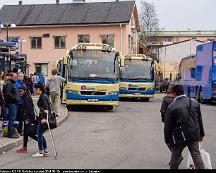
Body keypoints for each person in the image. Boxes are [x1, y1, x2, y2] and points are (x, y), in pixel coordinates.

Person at [164, 85, 205, 169]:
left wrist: (167, 139)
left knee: (175, 156)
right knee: (196, 155)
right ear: (183, 92)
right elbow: (199, 120)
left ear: (174, 93)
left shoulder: (171, 107)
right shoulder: (195, 103)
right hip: (194, 134)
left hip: (179, 136)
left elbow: (167, 126)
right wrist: (201, 134)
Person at [16, 86, 38, 153]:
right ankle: (24, 147)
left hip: (28, 118)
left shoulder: (27, 97)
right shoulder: (24, 97)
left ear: (25, 91)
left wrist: (26, 118)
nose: (20, 92)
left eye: (21, 91)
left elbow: (28, 108)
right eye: (19, 91)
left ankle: (41, 142)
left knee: (29, 133)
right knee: (26, 133)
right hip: (26, 118)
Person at [32, 83, 51, 157]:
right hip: (43, 117)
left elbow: (46, 108)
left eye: (35, 89)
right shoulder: (44, 95)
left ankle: (40, 152)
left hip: (43, 118)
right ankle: (45, 150)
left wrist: (45, 118)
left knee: (39, 134)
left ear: (38, 89)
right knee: (40, 134)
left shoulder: (43, 96)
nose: (34, 91)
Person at [3, 72, 19, 138]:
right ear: (11, 77)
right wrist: (15, 98)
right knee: (12, 118)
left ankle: (11, 133)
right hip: (12, 103)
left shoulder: (12, 83)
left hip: (12, 103)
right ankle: (11, 134)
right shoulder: (9, 83)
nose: (16, 78)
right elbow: (7, 93)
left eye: (16, 77)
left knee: (12, 118)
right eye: (15, 77)